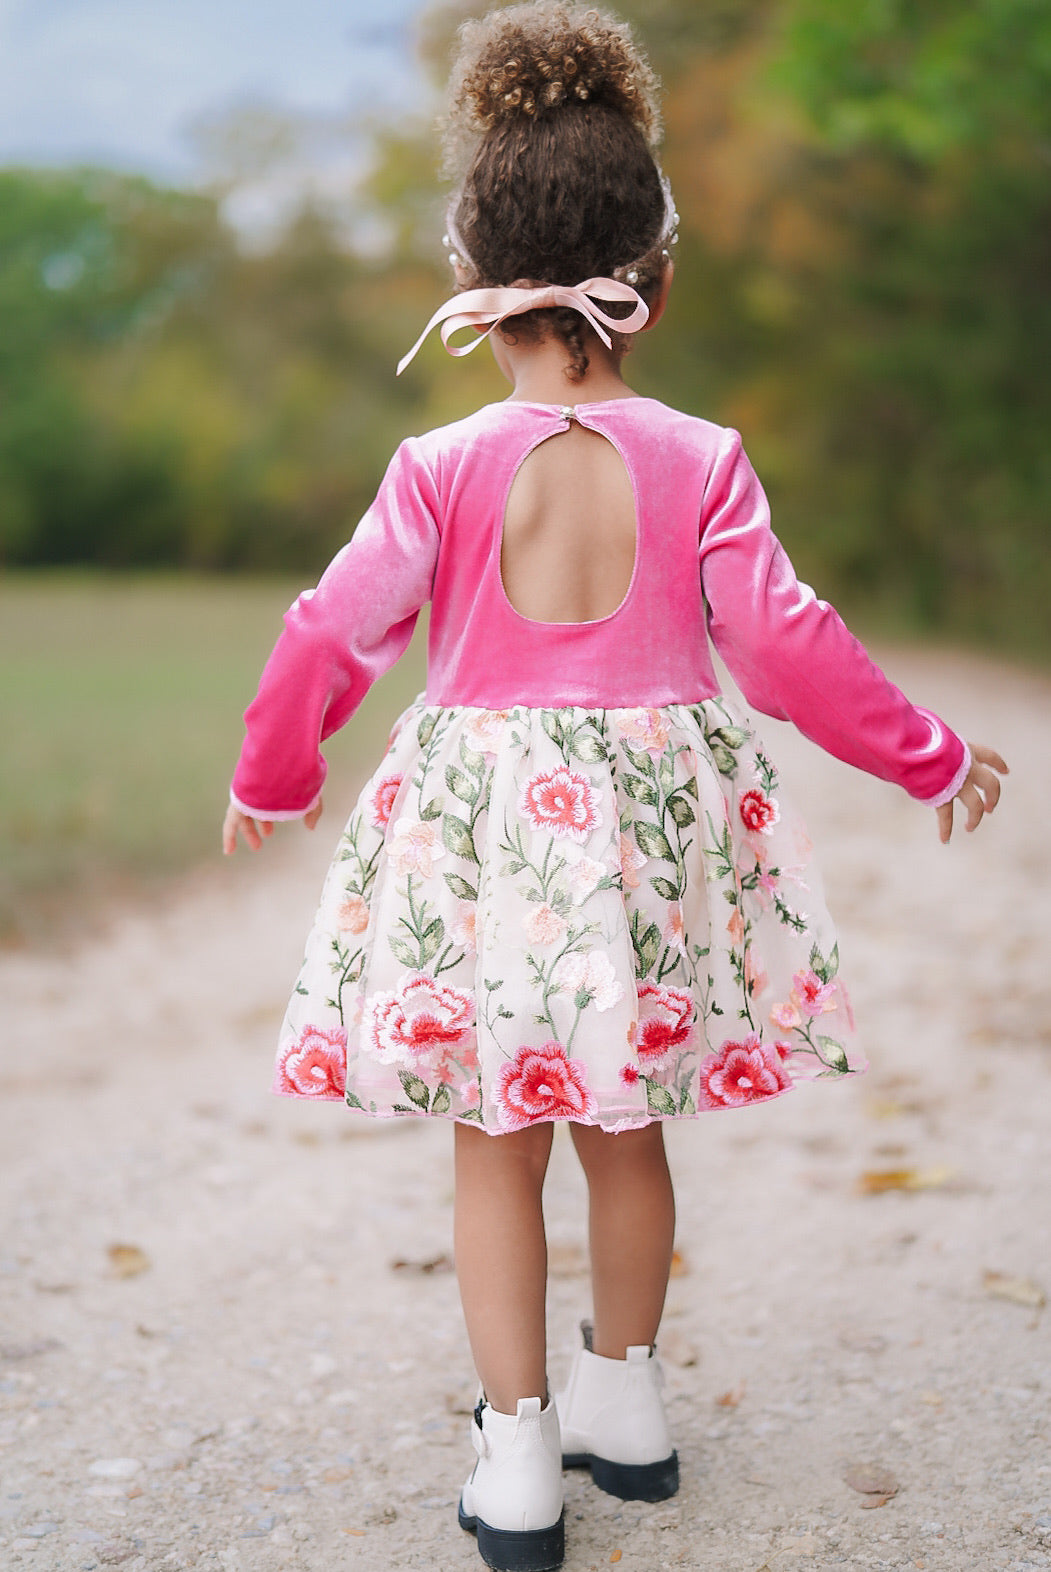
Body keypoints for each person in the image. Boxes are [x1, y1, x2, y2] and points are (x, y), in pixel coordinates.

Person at [222, 5, 1007, 1568]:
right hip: (644, 842)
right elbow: (781, 646)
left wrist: (276, 766)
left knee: (494, 1145)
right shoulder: (700, 455)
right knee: (628, 1121)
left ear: (470, 277)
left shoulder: (436, 470)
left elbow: (337, 629)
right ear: (656, 277)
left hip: (486, 842)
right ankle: (624, 1404)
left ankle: (516, 1458)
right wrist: (923, 749)